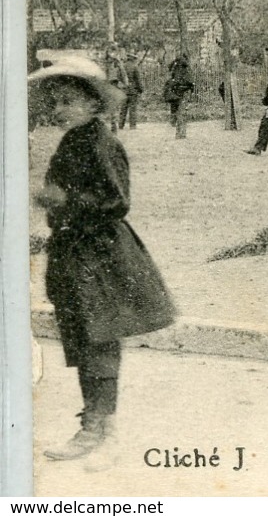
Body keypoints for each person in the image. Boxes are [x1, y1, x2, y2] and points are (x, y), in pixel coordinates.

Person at [28, 56, 175, 466]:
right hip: (74, 253)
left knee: (99, 339)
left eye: (68, 102)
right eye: (54, 102)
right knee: (80, 338)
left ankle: (99, 429)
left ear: (94, 105)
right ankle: (95, 422)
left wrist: (64, 202)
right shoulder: (72, 140)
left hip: (100, 255)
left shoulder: (100, 142)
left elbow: (116, 201)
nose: (58, 110)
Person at [161, 53, 195, 138]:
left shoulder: (175, 66)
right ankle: (180, 129)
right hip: (182, 89)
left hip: (174, 89)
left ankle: (174, 123)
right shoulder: (185, 67)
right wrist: (191, 88)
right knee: (181, 109)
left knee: (175, 107)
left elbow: (170, 73)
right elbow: (190, 80)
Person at [102, 47, 129, 133]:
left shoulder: (116, 63)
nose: (112, 54)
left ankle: (113, 126)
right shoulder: (105, 62)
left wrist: (125, 83)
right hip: (105, 86)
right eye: (111, 52)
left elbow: (123, 74)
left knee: (113, 107)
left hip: (112, 85)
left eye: (113, 52)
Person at [117, 50, 143, 130]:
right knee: (133, 109)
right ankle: (132, 126)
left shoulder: (122, 67)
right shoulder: (135, 67)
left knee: (123, 109)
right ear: (133, 59)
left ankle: (120, 125)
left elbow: (118, 77)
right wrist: (140, 89)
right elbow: (138, 80)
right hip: (133, 91)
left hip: (124, 90)